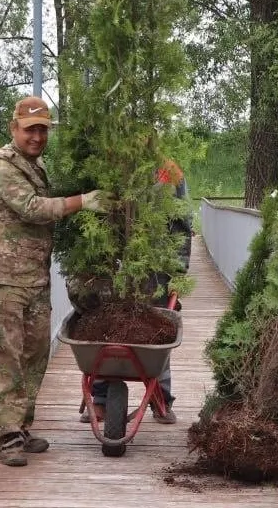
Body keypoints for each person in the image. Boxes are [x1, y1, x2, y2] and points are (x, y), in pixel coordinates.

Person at [0, 96, 108, 468]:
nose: (37, 137)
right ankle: (7, 439)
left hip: (34, 280)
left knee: (35, 357)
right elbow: (32, 209)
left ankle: (22, 427)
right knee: (8, 361)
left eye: (42, 130)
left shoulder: (36, 165)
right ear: (13, 128)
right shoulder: (1, 165)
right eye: (30, 129)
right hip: (3, 282)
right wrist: (81, 202)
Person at [76, 156, 192, 425]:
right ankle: (101, 398)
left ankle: (161, 398)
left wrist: (179, 269)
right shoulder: (106, 164)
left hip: (154, 264)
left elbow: (181, 222)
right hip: (111, 263)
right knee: (104, 327)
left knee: (159, 327)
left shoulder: (168, 169)